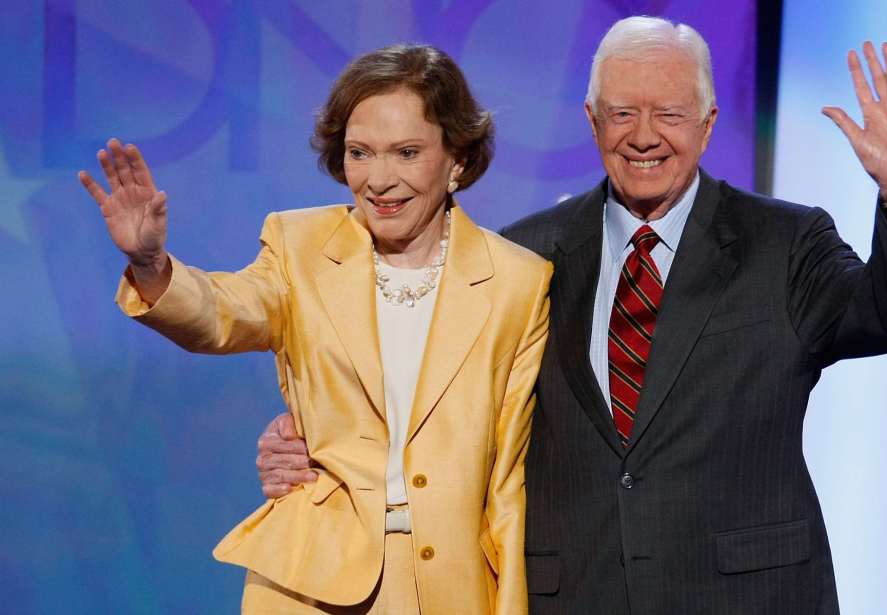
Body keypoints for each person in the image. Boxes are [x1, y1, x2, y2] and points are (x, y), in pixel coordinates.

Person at [256, 17, 887, 614]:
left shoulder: (785, 242)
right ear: (593, 121)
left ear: (708, 124)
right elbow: (439, 412)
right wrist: (320, 446)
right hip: (576, 593)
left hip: (747, 595)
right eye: (622, 113)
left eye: (670, 114)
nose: (644, 136)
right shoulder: (522, 259)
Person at [79, 44, 551, 614]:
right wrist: (153, 265)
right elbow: (220, 313)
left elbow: (506, 486)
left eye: (406, 152)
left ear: (456, 159)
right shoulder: (299, 247)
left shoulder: (517, 282)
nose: (379, 179)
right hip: (312, 585)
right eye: (360, 152)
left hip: (453, 589)